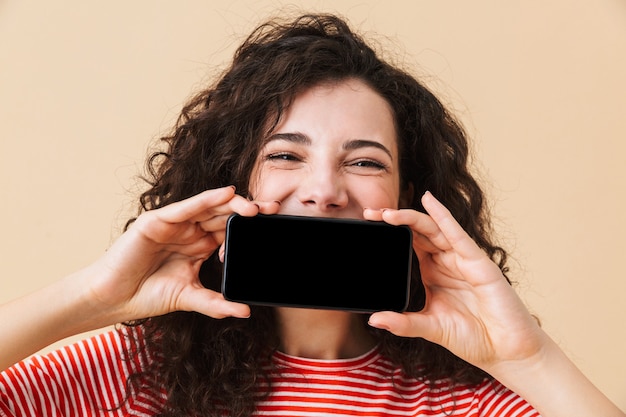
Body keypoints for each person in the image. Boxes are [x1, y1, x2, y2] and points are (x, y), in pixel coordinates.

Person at [0, 12, 623, 417]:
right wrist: (93, 295)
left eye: (366, 163)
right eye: (286, 154)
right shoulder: (126, 375)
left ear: (410, 198)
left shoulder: (465, 400)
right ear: (231, 184)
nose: (324, 191)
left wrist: (528, 359)